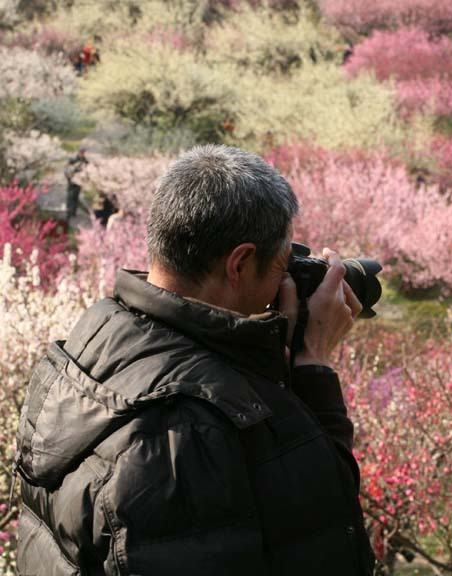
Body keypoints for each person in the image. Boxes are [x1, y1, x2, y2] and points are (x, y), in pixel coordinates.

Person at [15, 145, 377, 575]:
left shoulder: (93, 343)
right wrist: (314, 362)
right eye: (282, 263)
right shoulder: (182, 436)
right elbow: (323, 538)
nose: (286, 278)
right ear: (239, 263)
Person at [64, 148, 88, 224]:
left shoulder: (85, 161)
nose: (82, 153)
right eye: (81, 152)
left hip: (79, 182)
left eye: (83, 152)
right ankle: (68, 212)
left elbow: (87, 171)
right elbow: (66, 169)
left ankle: (73, 212)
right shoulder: (72, 160)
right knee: (70, 196)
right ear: (78, 152)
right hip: (71, 181)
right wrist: (69, 177)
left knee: (75, 197)